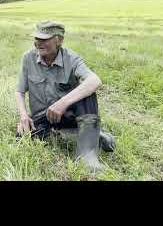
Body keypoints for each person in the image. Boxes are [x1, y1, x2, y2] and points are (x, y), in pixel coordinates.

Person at [15, 21, 114, 172]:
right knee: (22, 136)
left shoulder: (72, 59)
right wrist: (23, 115)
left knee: (88, 94)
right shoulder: (28, 58)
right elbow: (20, 91)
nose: (38, 43)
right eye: (37, 39)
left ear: (59, 40)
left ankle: (86, 156)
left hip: (69, 114)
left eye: (44, 39)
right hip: (44, 116)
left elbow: (95, 80)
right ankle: (95, 136)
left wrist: (62, 103)